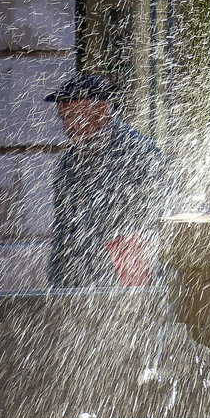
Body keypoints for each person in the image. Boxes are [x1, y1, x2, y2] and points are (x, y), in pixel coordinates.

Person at [46, 72, 164, 290]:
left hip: (123, 281)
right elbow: (63, 228)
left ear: (100, 112)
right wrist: (57, 285)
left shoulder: (136, 152)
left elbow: (146, 224)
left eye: (73, 117)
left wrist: (136, 293)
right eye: (63, 119)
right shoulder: (69, 161)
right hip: (77, 281)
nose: (66, 128)